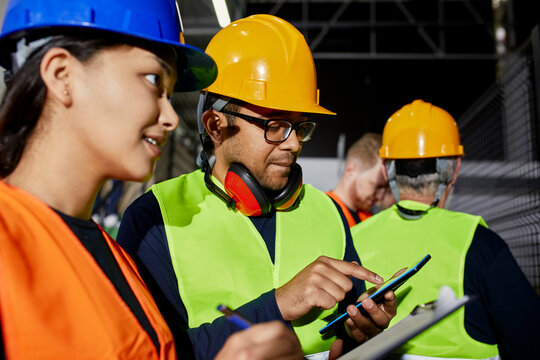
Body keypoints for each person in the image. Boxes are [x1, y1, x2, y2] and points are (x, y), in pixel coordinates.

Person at [0, 0, 304, 359]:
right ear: (62, 75)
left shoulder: (117, 261)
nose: (171, 117)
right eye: (153, 79)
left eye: (170, 91)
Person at [117, 14, 396, 360]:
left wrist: (360, 335)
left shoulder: (327, 212)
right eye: (275, 125)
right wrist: (277, 306)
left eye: (300, 126)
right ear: (216, 125)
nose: (293, 144)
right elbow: (151, 353)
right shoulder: (155, 219)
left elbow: (343, 336)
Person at [351, 99, 540, 359]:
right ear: (454, 167)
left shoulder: (353, 237)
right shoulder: (478, 241)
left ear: (387, 169)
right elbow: (529, 341)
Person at [327, 133, 388, 227]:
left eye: (385, 188)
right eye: (377, 186)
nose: (380, 197)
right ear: (350, 171)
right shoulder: (325, 211)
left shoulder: (368, 218)